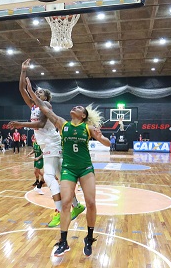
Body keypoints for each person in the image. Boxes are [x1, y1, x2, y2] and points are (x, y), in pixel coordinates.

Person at [25, 76, 111, 257]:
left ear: (84, 115)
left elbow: (107, 144)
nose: (75, 107)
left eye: (79, 108)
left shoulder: (87, 129)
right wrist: (31, 92)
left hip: (86, 169)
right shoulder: (62, 125)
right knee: (65, 203)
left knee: (91, 203)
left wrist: (102, 137)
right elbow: (43, 108)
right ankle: (63, 242)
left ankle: (89, 238)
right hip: (69, 169)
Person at [9, 59, 85, 227]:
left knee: (49, 177)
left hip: (52, 144)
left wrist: (21, 124)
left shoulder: (46, 105)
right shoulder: (33, 107)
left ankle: (58, 211)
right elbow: (21, 89)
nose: (38, 92)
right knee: (59, 178)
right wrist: (23, 71)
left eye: (40, 92)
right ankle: (77, 206)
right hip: (47, 145)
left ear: (46, 97)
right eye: (37, 91)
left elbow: (40, 124)